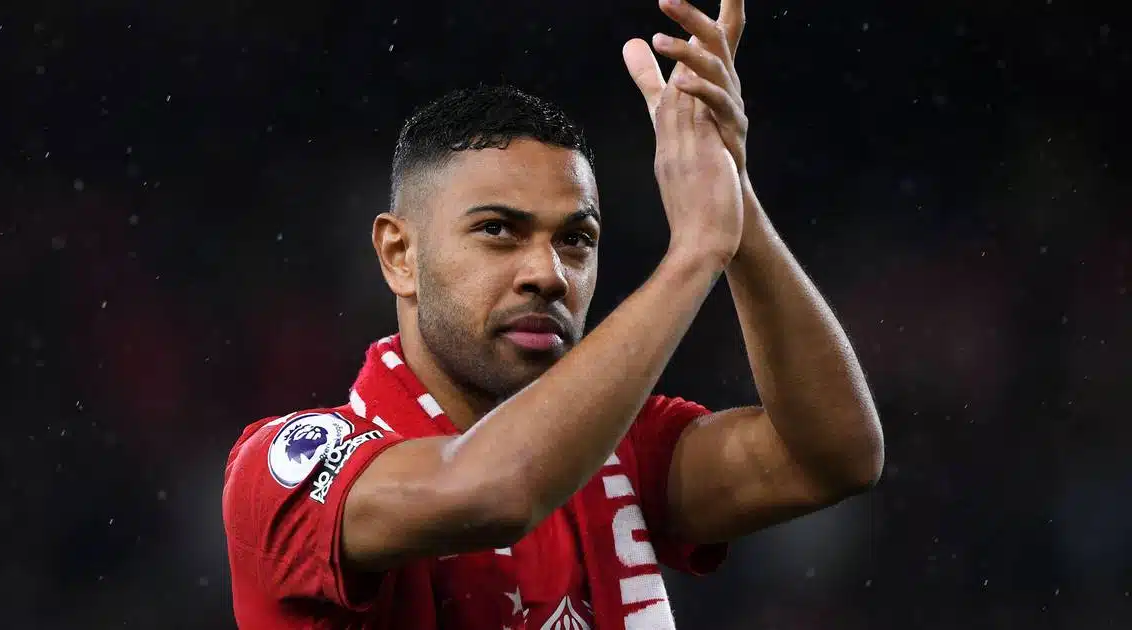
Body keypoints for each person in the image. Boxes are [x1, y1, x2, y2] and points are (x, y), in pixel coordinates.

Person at [222, 0, 884, 628]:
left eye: (575, 239)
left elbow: (833, 459)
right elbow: (498, 491)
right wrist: (694, 256)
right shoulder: (284, 468)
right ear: (400, 255)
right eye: (497, 230)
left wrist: (735, 200)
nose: (548, 274)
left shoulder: (618, 448)